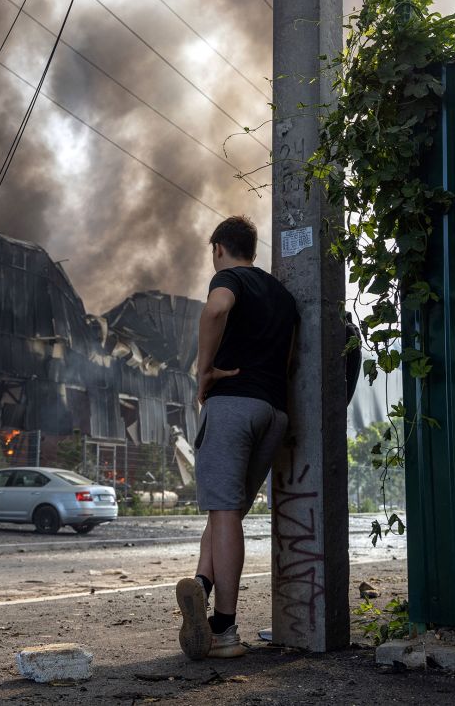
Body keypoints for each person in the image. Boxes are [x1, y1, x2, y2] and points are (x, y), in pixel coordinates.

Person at [176, 215, 297, 660]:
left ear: (219, 249)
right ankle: (202, 587)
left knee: (222, 512)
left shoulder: (228, 278)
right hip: (274, 410)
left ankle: (225, 630)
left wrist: (203, 370)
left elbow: (216, 309)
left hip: (232, 405)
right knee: (227, 515)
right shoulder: (283, 296)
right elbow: (287, 359)